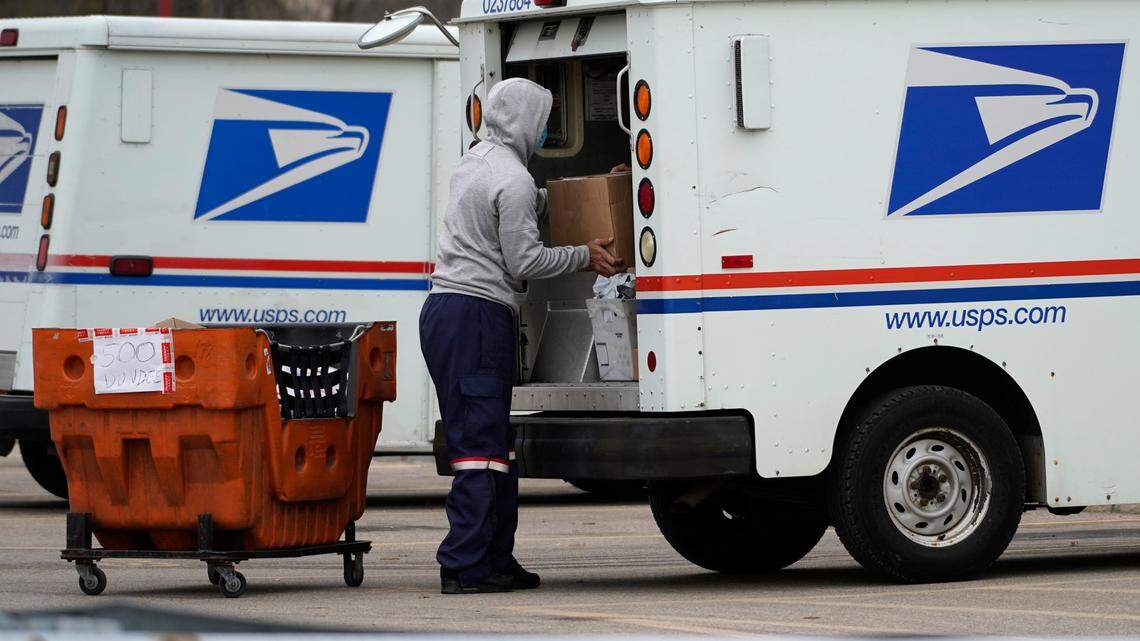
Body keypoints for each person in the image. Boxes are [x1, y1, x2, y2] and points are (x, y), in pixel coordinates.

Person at [420, 77, 623, 595]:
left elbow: (530, 202)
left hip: (450, 313)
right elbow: (525, 259)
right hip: (476, 317)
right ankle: (465, 566)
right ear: (528, 120)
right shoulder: (508, 177)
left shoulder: (477, 162)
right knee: (479, 450)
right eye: (545, 118)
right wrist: (586, 256)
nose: (548, 128)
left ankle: (495, 559)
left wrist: (604, 180)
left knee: (494, 446)